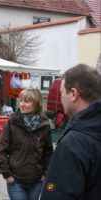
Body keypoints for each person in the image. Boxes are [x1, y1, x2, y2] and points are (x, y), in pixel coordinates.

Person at [41, 64, 101, 200]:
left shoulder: (73, 144)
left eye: (62, 92)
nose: (61, 97)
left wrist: (50, 186)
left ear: (73, 94)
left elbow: (56, 192)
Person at [0, 88, 53, 200]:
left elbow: (48, 152)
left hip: (37, 180)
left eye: (26, 101)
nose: (21, 104)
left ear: (36, 103)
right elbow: (1, 150)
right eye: (21, 100)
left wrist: (45, 173)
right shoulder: (12, 122)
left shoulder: (44, 125)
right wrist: (6, 174)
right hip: (15, 180)